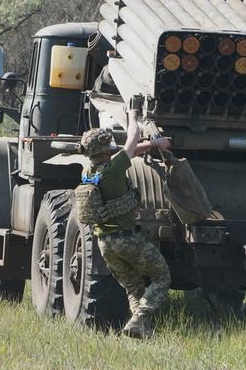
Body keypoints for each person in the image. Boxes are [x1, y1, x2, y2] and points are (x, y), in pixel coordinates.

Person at [79, 108, 171, 339]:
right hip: (126, 239)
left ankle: (139, 328)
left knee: (133, 287)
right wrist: (133, 116)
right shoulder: (113, 169)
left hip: (104, 243)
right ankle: (140, 318)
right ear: (105, 150)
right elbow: (132, 139)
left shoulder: (90, 171)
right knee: (161, 276)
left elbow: (128, 152)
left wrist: (153, 144)